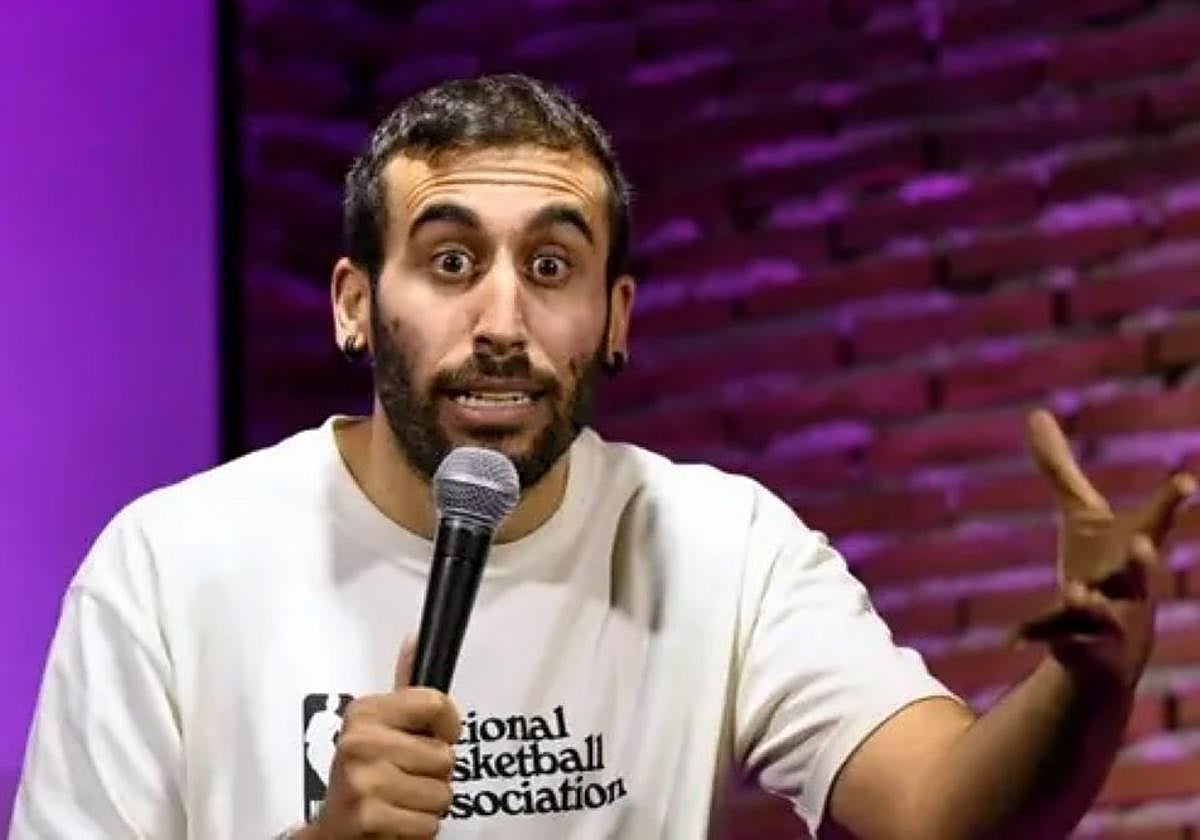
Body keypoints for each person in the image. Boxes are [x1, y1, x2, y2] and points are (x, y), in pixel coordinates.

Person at [10, 73, 1195, 840]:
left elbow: (943, 813)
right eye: (452, 262)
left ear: (616, 317)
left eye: (552, 266)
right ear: (354, 305)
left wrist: (1087, 688)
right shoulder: (169, 565)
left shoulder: (719, 544)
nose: (503, 322)